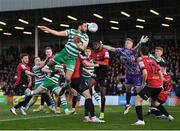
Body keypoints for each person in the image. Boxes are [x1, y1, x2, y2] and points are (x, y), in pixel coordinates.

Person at [101, 36, 149, 115]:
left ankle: (146, 100)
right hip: (128, 74)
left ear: (131, 45)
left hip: (136, 74)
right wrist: (102, 45)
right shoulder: (121, 50)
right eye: (126, 42)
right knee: (127, 89)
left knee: (138, 91)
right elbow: (111, 48)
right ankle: (127, 104)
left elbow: (137, 48)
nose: (126, 44)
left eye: (128, 43)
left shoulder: (133, 51)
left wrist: (140, 42)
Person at [38, 20, 89, 91]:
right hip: (64, 53)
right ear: (80, 26)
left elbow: (83, 48)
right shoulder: (71, 31)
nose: (86, 28)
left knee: (68, 78)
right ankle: (53, 72)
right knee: (44, 68)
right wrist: (47, 29)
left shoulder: (86, 37)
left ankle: (64, 86)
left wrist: (78, 44)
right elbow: (58, 33)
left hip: (72, 58)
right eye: (85, 26)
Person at [132, 46, 174, 125]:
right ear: (148, 53)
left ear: (141, 52)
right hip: (158, 85)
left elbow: (144, 73)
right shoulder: (152, 61)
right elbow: (160, 73)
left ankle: (141, 120)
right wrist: (161, 83)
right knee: (155, 103)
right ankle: (169, 116)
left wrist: (143, 83)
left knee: (138, 99)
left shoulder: (141, 61)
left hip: (151, 85)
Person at [70, 54, 104, 123]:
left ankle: (87, 116)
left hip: (73, 80)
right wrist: (96, 65)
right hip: (78, 79)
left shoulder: (66, 56)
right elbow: (85, 64)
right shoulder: (77, 55)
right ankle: (92, 117)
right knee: (88, 97)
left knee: (88, 96)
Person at [90, 41, 110, 119]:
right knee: (89, 86)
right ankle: (90, 108)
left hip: (104, 74)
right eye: (94, 44)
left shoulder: (105, 51)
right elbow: (89, 59)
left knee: (102, 94)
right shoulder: (93, 52)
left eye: (96, 44)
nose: (94, 45)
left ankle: (102, 112)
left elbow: (106, 62)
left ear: (100, 45)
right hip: (96, 73)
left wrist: (96, 62)